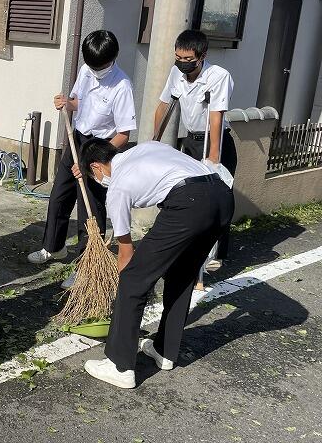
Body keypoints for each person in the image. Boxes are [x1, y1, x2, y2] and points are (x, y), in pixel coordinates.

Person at [78, 138, 234, 389]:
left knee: (133, 279)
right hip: (222, 195)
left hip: (189, 202)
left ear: (96, 167)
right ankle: (165, 351)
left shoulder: (117, 187)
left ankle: (120, 365)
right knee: (182, 274)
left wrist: (123, 292)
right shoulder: (146, 148)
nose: (98, 180)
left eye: (93, 176)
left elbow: (126, 252)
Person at [27, 30, 137, 289]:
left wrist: (94, 159)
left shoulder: (122, 86)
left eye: (100, 66)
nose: (95, 70)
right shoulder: (86, 71)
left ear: (112, 58)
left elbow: (124, 133)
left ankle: (85, 266)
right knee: (60, 194)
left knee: (90, 207)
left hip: (101, 147)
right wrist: (66, 103)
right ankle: (54, 247)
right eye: (92, 65)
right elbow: (79, 102)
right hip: (77, 139)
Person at [154, 29, 236, 270]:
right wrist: (154, 141)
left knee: (218, 198)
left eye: (188, 59)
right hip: (190, 142)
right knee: (188, 195)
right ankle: (188, 245)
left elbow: (216, 116)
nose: (182, 63)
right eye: (178, 57)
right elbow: (163, 105)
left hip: (215, 141)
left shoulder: (218, 76)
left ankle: (216, 253)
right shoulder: (176, 73)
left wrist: (213, 157)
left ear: (202, 56)